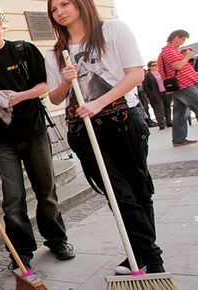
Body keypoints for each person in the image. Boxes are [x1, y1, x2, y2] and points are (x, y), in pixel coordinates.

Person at [45, 0, 166, 274]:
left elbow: (135, 74)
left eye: (65, 4)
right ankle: (153, 259)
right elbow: (54, 98)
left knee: (140, 191)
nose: (60, 12)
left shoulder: (113, 30)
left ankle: (139, 253)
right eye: (54, 9)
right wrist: (66, 79)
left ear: (81, 4)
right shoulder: (56, 52)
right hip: (84, 131)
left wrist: (99, 102)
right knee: (118, 194)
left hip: (123, 121)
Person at [0, 9, 75, 270]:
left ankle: (57, 239)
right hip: (1, 139)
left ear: (0, 26)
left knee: (45, 190)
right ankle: (20, 251)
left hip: (34, 131)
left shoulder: (24, 50)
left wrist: (19, 96)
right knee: (12, 198)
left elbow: (43, 87)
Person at [157, 30, 198, 146]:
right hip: (183, 85)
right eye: (182, 40)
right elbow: (177, 66)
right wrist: (188, 57)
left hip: (180, 86)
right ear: (176, 38)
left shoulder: (169, 51)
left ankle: (179, 139)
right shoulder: (168, 51)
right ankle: (179, 139)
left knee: (180, 114)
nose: (182, 43)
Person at [143, 60, 172, 130]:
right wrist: (151, 94)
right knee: (159, 109)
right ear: (149, 67)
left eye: (156, 64)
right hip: (156, 94)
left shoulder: (161, 73)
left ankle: (169, 122)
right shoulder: (147, 76)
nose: (156, 66)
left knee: (167, 107)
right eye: (154, 65)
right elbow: (145, 87)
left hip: (165, 92)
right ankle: (161, 124)